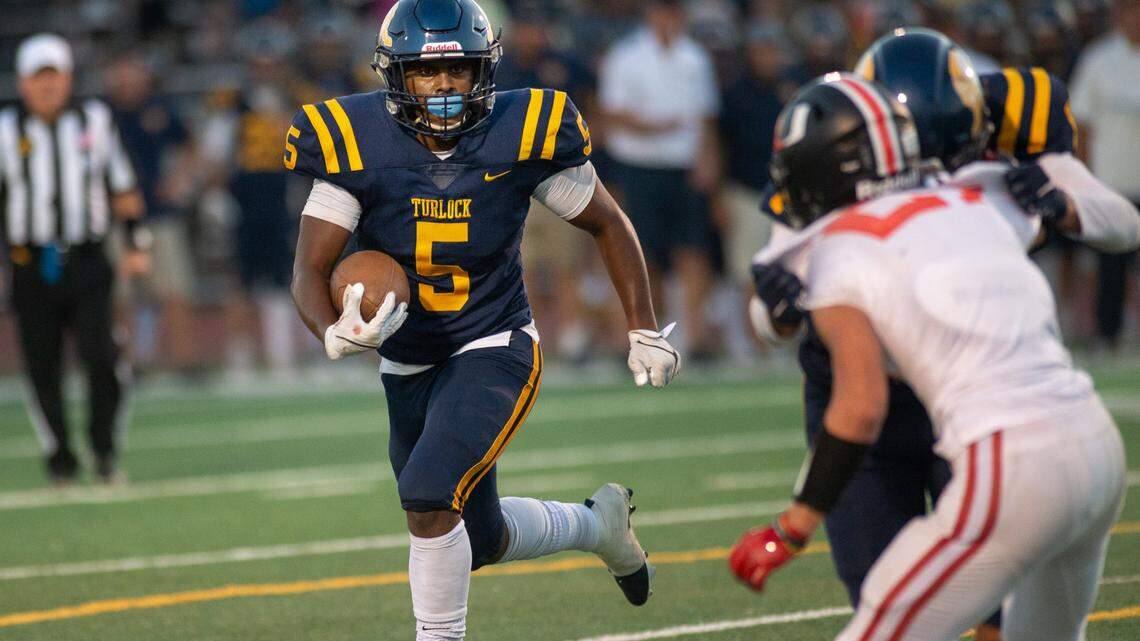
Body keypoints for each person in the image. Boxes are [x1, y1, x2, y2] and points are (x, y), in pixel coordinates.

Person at [286, 2, 680, 639]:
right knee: (480, 535)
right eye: (423, 73)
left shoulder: (518, 131)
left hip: (493, 342)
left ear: (484, 71)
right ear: (396, 76)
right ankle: (599, 526)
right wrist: (327, 329)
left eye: (458, 71)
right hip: (410, 361)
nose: (442, 87)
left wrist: (642, 325)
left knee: (427, 494)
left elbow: (606, 220)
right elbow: (309, 267)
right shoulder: (357, 141)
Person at [748, 28, 1140, 641]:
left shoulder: (830, 242)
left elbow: (857, 407)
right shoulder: (987, 196)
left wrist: (791, 526)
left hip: (1001, 451)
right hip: (1092, 439)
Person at [0, 34, 148, 485]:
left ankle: (104, 452)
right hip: (28, 263)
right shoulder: (5, 131)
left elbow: (122, 188)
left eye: (54, 76)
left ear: (67, 78)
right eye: (37, 77)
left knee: (102, 358)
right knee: (41, 365)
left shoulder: (94, 120)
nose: (47, 86)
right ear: (23, 83)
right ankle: (61, 457)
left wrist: (137, 244)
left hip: (87, 260)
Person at [599, 0, 721, 357]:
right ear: (651, 14)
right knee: (641, 253)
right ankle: (644, 334)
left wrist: (708, 159)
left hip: (683, 167)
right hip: (639, 166)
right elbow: (613, 114)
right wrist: (657, 127)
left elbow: (706, 116)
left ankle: (696, 338)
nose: (668, 18)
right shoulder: (626, 56)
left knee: (693, 250)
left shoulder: (695, 59)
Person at [104, 52, 198, 372]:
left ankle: (182, 361)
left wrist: (177, 181)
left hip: (159, 213)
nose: (129, 85)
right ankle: (126, 362)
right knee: (120, 296)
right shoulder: (100, 114)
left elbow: (191, 144)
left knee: (174, 290)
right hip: (117, 217)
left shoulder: (160, 108)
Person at [1069, 0, 1140, 353]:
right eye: (1129, 11)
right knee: (1110, 266)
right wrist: (1085, 179)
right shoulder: (1097, 60)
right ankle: (1106, 335)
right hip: (1112, 180)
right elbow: (1083, 124)